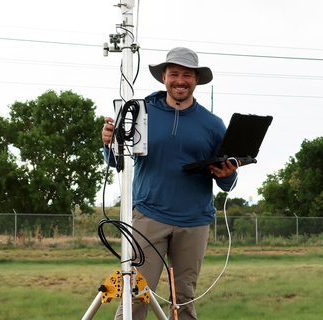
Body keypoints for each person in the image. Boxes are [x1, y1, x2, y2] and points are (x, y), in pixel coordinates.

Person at [101, 47, 239, 320]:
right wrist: (108, 143)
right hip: (148, 216)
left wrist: (228, 175)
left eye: (187, 75)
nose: (180, 80)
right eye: (174, 74)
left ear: (196, 80)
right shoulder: (140, 113)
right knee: (135, 294)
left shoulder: (213, 125)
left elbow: (228, 182)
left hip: (194, 222)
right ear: (163, 77)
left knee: (184, 298)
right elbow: (117, 162)